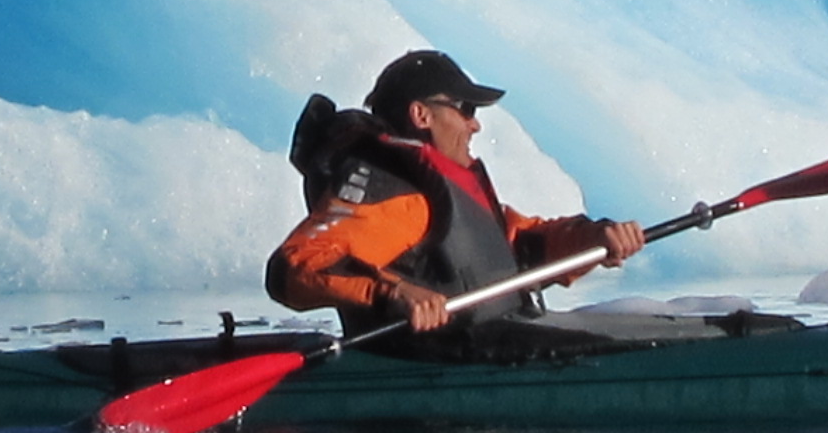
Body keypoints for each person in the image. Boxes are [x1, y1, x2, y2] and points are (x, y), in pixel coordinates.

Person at [266, 49, 646, 338]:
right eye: (464, 109)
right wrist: (394, 293)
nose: (475, 124)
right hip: (424, 373)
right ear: (422, 116)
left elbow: (522, 246)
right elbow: (295, 268)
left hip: (490, 342)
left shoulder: (440, 192)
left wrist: (596, 238)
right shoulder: (397, 200)